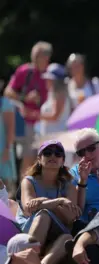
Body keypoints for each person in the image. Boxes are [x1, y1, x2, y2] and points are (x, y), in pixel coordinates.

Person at [16, 140, 80, 264]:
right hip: (29, 227)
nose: (52, 156)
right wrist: (59, 201)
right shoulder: (28, 181)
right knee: (43, 215)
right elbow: (29, 209)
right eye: (47, 153)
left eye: (58, 154)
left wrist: (42, 202)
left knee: (67, 238)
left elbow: (70, 217)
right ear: (39, 159)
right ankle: (25, 263)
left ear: (63, 161)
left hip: (56, 231)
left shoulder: (69, 185)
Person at [3, 41, 52, 175]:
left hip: (49, 123)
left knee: (47, 161)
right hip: (29, 123)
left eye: (38, 56)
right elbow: (8, 92)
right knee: (28, 159)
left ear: (47, 57)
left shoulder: (52, 74)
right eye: (34, 56)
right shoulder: (25, 71)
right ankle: (23, 193)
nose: (35, 60)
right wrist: (25, 98)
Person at [0, 93, 16, 195]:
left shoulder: (5, 103)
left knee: (6, 190)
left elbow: (10, 129)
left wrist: (7, 149)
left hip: (3, 151)